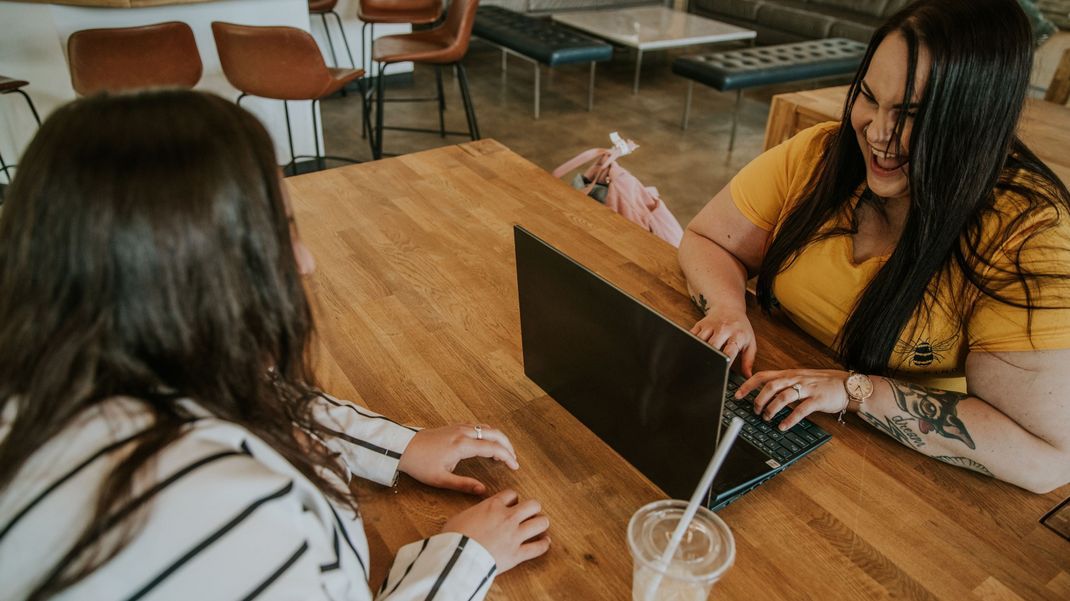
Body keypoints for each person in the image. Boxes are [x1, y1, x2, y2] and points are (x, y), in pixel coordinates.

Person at [0, 90, 550, 600]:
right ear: (191, 273)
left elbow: (256, 390)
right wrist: (462, 559)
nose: (305, 262)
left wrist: (398, 447)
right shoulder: (222, 515)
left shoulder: (64, 364)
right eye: (279, 234)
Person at [679, 0, 1070, 494]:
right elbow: (708, 238)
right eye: (868, 96)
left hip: (902, 479)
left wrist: (855, 390)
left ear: (978, 121)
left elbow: (1047, 460)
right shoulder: (821, 153)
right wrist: (727, 305)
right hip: (779, 411)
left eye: (910, 114)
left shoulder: (1028, 235)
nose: (877, 133)